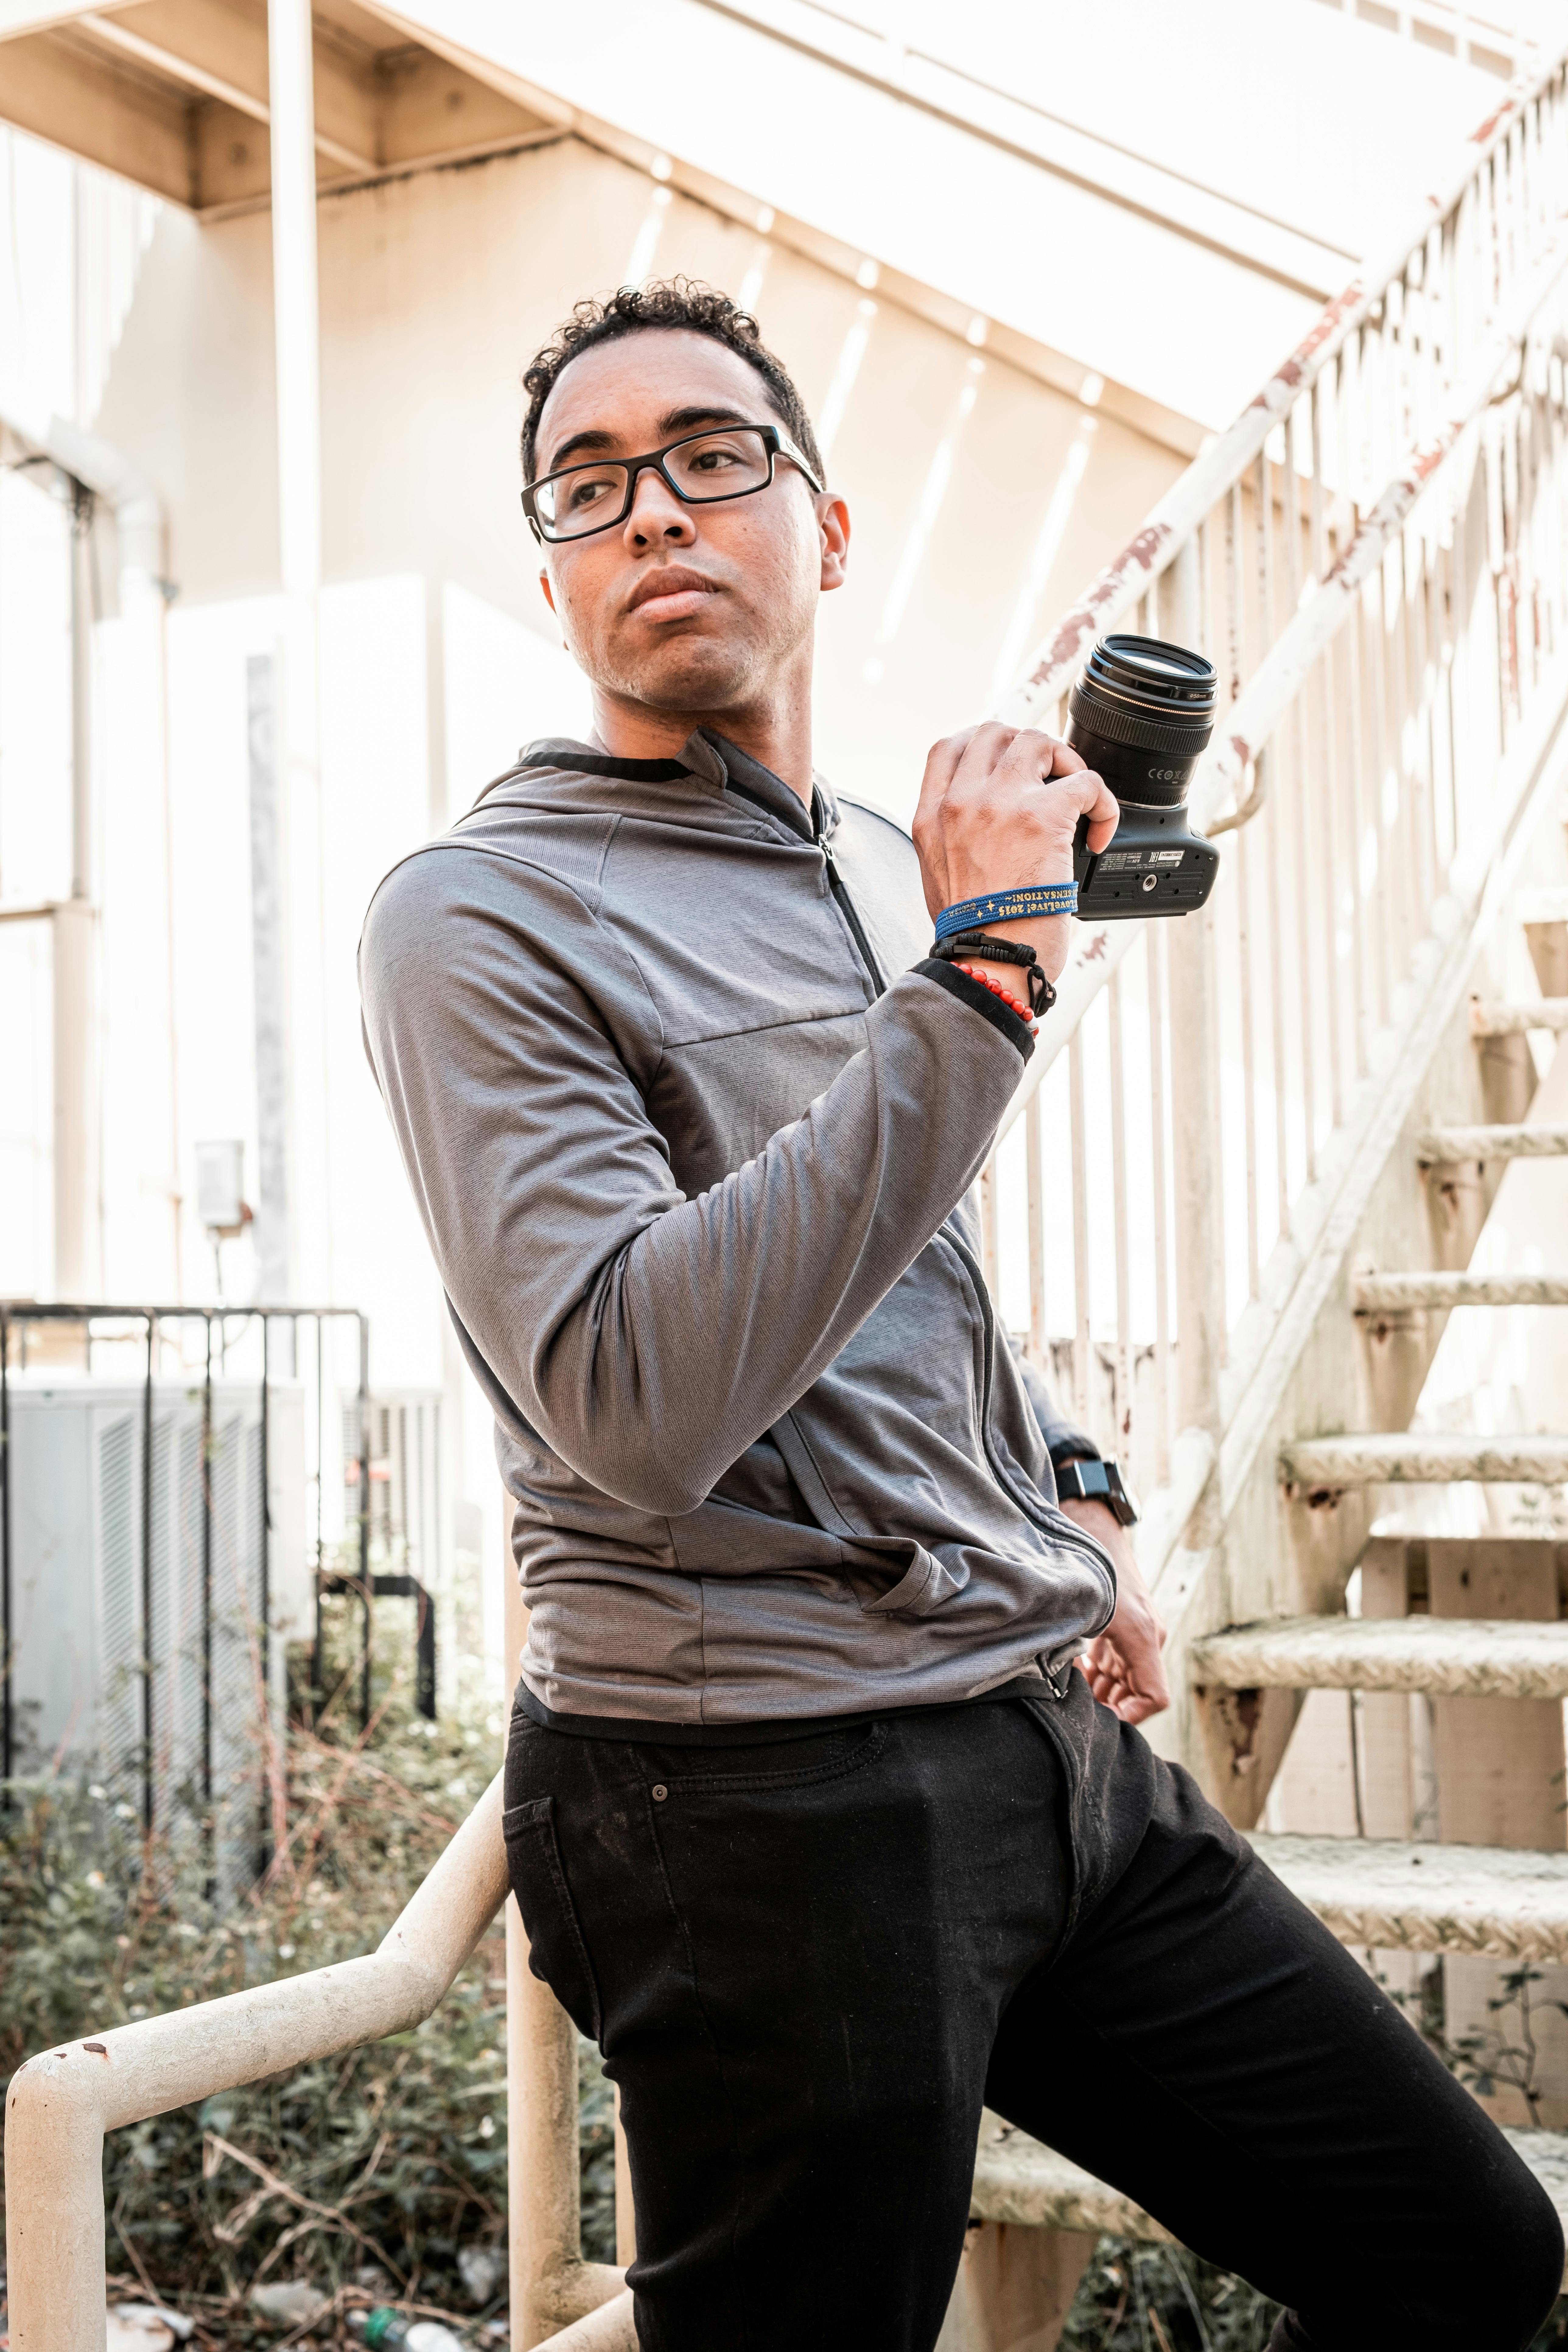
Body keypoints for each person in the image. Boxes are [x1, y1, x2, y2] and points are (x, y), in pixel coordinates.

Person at [359, 282, 1561, 2351]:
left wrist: (1067, 1488)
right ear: (552, 576)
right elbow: (636, 1394)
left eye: (713, 457)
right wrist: (989, 971)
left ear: (824, 530)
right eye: (589, 483)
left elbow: (912, 1275)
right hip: (758, 1807)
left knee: (1470, 2258)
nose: (654, 511)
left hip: (1050, 1758)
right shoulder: (478, 913)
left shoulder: (869, 863)